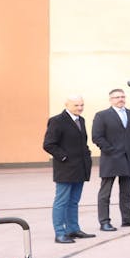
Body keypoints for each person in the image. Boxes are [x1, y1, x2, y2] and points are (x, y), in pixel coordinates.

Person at [42, 95, 94, 244]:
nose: (80, 108)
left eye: (82, 105)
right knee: (61, 201)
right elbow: (48, 144)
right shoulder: (57, 121)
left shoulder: (81, 120)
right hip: (65, 169)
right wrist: (64, 157)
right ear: (67, 105)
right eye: (76, 105)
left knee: (74, 201)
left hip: (80, 168)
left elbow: (82, 143)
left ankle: (73, 229)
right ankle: (60, 233)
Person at [91, 88, 130, 232]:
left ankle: (127, 218)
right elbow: (97, 137)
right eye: (117, 97)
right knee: (105, 193)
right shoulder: (102, 115)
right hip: (111, 159)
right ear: (111, 99)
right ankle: (104, 222)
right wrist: (111, 150)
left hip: (128, 159)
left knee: (126, 192)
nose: (120, 99)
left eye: (122, 96)